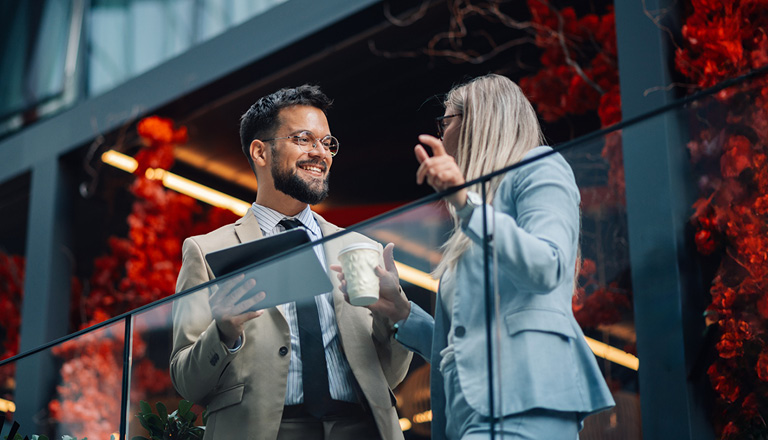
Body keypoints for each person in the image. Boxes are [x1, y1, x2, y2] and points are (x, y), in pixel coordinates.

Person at [335, 74, 615, 439]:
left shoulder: (537, 167)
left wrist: (467, 204)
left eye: (445, 121)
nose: (441, 136)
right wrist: (399, 310)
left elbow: (550, 266)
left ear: (478, 122)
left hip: (525, 401)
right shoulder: (476, 215)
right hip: (473, 413)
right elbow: (464, 342)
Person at [170, 85, 412, 440]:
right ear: (260, 152)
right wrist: (223, 333)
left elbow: (389, 375)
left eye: (328, 143)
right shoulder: (206, 251)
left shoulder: (360, 247)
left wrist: (395, 320)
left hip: (361, 429)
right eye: (304, 139)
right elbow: (186, 382)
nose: (321, 153)